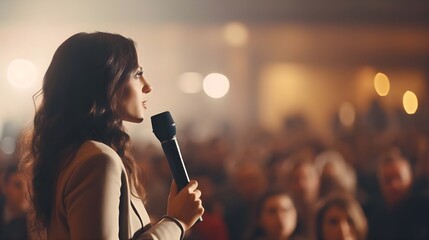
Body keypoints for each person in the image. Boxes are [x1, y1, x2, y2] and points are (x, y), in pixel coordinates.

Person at [20, 32, 204, 240]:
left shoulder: (68, 155)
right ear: (106, 81)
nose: (147, 86)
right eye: (137, 74)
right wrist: (176, 222)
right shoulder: (97, 160)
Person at [0, 163, 29, 240]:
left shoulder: (30, 221)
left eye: (27, 186)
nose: (24, 192)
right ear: (5, 187)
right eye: (18, 185)